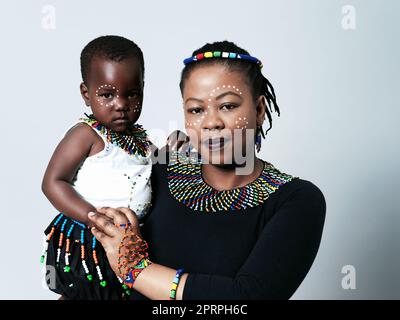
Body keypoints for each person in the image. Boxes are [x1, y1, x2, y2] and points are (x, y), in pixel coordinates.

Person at [88, 40, 327, 300]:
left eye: (228, 106)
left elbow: (246, 299)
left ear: (258, 110)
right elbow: (97, 270)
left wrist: (136, 270)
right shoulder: (158, 170)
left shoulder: (295, 200)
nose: (211, 122)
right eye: (196, 109)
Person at [41, 35, 153, 299]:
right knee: (83, 295)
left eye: (132, 94)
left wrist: (171, 152)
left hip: (126, 240)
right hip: (89, 239)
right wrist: (93, 216)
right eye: (107, 95)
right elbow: (53, 182)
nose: (122, 105)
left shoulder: (140, 138)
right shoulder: (87, 135)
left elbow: (148, 169)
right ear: (86, 94)